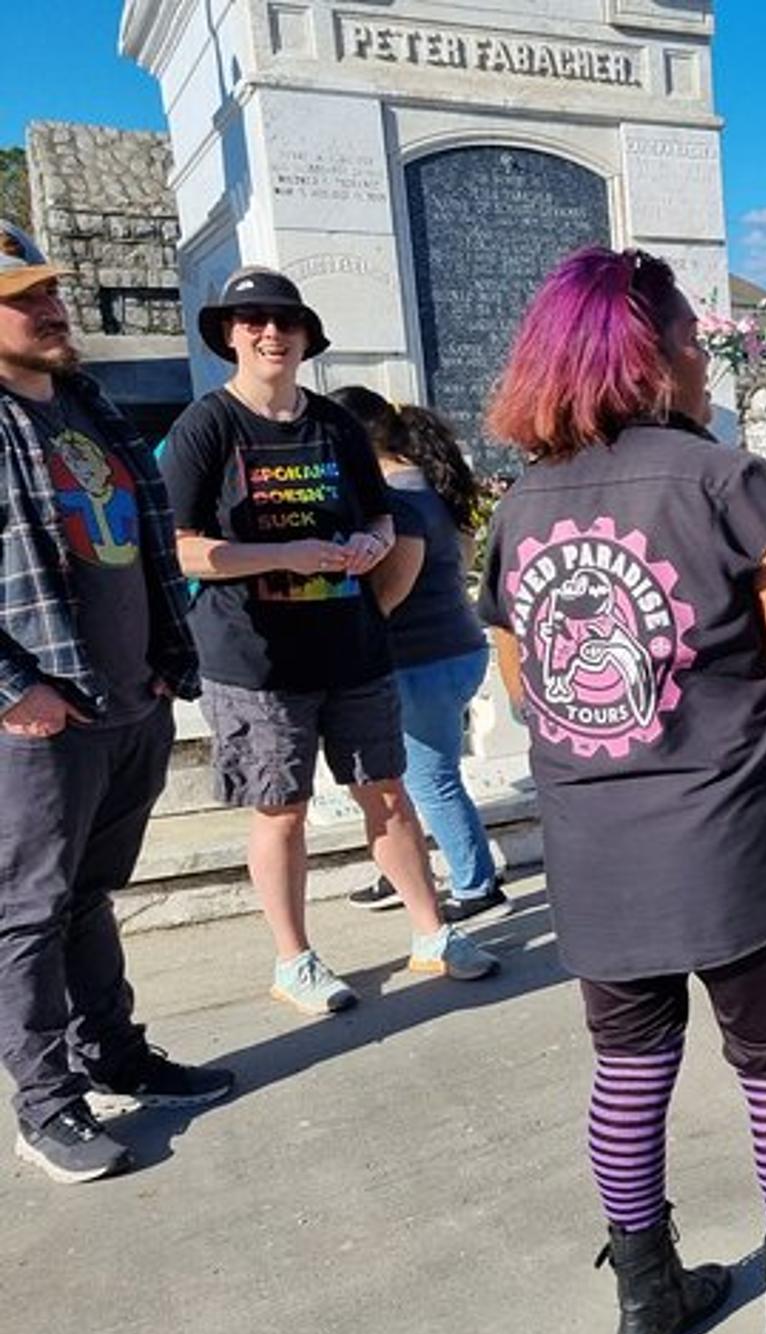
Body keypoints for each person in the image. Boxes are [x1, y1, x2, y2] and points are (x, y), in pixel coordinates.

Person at [478, 246, 766, 1334]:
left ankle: (646, 1298)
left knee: (627, 1071)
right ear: (652, 353)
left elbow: (525, 681)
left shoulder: (521, 502)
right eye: (689, 336)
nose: (702, 354)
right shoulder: (725, 481)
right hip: (731, 840)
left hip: (594, 844)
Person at [161, 268, 497, 1017]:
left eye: (284, 321)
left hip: (352, 645)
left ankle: (432, 933)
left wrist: (367, 548)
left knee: (386, 789)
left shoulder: (337, 425)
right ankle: (294, 958)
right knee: (280, 806)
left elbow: (381, 519)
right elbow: (180, 547)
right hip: (257, 661)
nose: (270, 333)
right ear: (228, 335)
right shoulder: (206, 428)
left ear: (307, 337)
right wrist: (285, 555)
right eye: (251, 320)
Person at [0, 222, 233, 1184]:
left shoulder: (88, 404)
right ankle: (45, 1101)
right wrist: (17, 689)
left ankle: (113, 1052)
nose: (52, 305)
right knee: (27, 912)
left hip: (130, 700)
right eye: (24, 296)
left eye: (50, 288)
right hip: (40, 718)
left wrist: (167, 659)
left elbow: (140, 545)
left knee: (90, 893)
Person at [328, 388, 505, 921]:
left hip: (423, 659)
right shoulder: (427, 488)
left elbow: (390, 594)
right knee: (399, 777)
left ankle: (476, 886)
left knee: (431, 777)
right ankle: (403, 870)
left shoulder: (400, 504)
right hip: (450, 650)